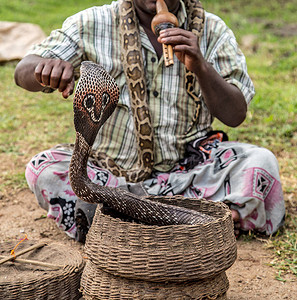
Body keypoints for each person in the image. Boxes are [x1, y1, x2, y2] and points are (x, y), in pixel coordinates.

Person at [14, 0, 285, 242]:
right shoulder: (91, 23)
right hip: (110, 177)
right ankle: (197, 224)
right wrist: (44, 69)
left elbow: (235, 115)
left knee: (261, 163)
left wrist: (200, 66)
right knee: (43, 170)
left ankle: (119, 224)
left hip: (187, 175)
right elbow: (22, 70)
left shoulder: (214, 30)